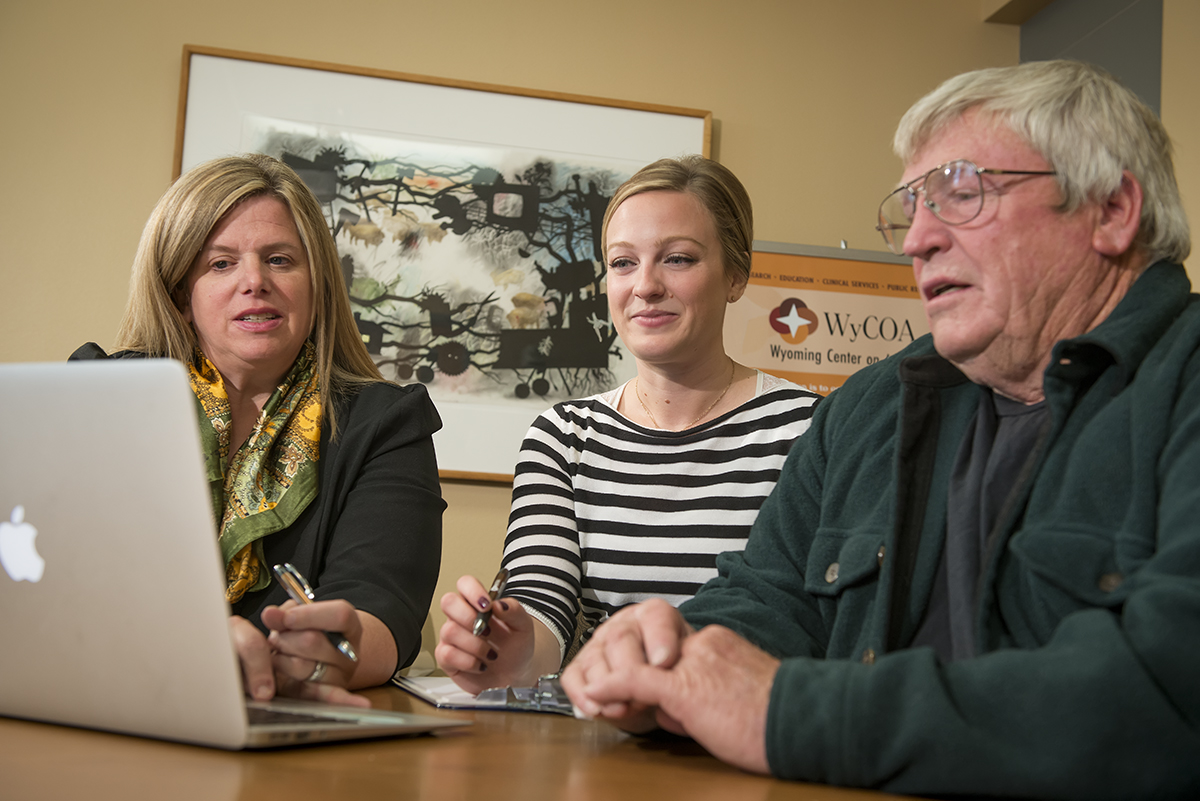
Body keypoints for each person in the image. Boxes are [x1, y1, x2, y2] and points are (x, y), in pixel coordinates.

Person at [560, 60, 1200, 799]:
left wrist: (787, 711)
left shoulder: (1180, 383)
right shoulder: (871, 404)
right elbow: (768, 601)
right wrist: (664, 658)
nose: (916, 240)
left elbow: (1171, 684)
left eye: (961, 194)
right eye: (912, 207)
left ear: (1112, 210)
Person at [435, 156, 820, 693]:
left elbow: (807, 619)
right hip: (605, 739)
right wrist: (515, 652)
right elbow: (542, 603)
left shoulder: (809, 429)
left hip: (750, 732)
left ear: (736, 274)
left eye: (678, 259)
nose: (645, 286)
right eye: (622, 263)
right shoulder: (563, 436)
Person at [71, 154, 444, 707]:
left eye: (280, 259)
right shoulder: (103, 395)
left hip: (281, 715)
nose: (255, 282)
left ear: (316, 284)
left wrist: (321, 659)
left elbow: (380, 608)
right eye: (220, 264)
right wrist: (194, 647)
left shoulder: (384, 423)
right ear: (181, 294)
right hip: (97, 699)